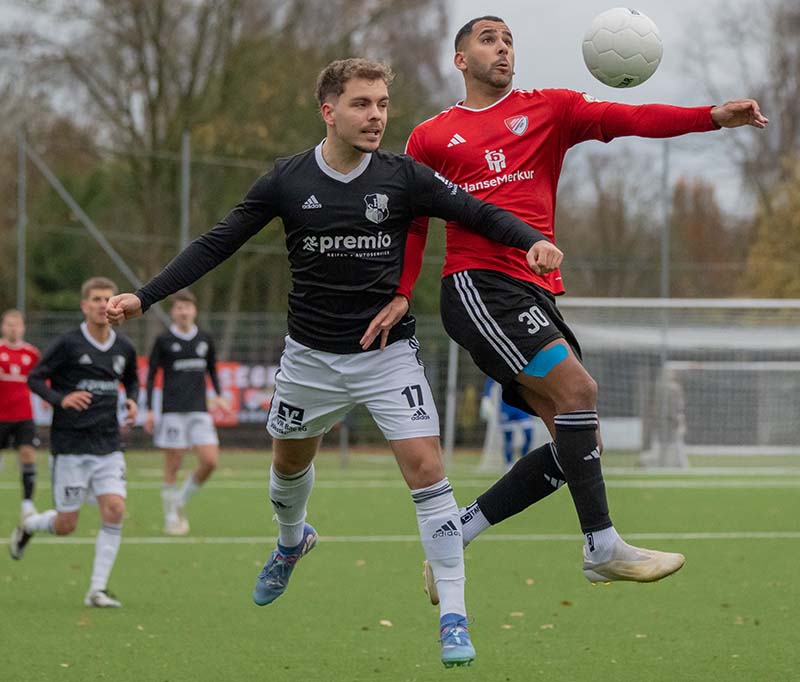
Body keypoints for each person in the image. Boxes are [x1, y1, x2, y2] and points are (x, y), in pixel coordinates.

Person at [105, 57, 563, 667]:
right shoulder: (286, 180)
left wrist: (527, 238)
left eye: (381, 104)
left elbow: (478, 213)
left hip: (386, 355)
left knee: (427, 468)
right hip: (310, 361)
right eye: (361, 104)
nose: (376, 115)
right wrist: (145, 296)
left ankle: (454, 615)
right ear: (329, 111)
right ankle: (291, 543)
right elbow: (218, 242)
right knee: (288, 465)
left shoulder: (405, 177)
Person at [361, 15, 768, 595]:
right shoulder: (431, 136)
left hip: (534, 293)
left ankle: (454, 533)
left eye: (508, 40)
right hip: (478, 285)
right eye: (487, 39)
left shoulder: (551, 108)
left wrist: (710, 118)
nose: (502, 48)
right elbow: (416, 223)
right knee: (580, 392)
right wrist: (402, 292)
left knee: (579, 445)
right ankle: (601, 545)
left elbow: (630, 118)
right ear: (460, 60)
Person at [9, 277, 139, 609]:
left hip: (108, 444)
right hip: (70, 446)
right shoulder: (67, 344)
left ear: (116, 305)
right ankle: (29, 525)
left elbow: (132, 381)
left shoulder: (124, 347)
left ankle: (97, 590)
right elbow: (34, 378)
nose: (101, 304)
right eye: (95, 299)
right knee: (67, 524)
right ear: (84, 305)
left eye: (107, 299)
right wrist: (61, 398)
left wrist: (133, 401)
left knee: (115, 509)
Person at [145, 289, 224, 535]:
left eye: (187, 307)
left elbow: (212, 369)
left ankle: (180, 500)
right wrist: (149, 409)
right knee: (173, 464)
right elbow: (150, 376)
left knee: (210, 461)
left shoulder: (205, 339)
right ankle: (171, 517)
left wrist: (219, 395)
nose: (183, 312)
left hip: (199, 410)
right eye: (178, 308)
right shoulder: (164, 341)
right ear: (173, 312)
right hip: (172, 412)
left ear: (194, 310)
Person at [0, 309, 41, 519]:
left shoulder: (32, 353)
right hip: (0, 415)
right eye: (9, 324)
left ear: (23, 327)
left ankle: (27, 504)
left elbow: (42, 378)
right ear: (3, 327)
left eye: (16, 324)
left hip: (24, 415)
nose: (13, 328)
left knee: (27, 455)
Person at [481, 378, 535, 471]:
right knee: (508, 437)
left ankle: (524, 460)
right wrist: (486, 398)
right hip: (506, 407)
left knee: (528, 434)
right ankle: (509, 464)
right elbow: (490, 380)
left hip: (523, 406)